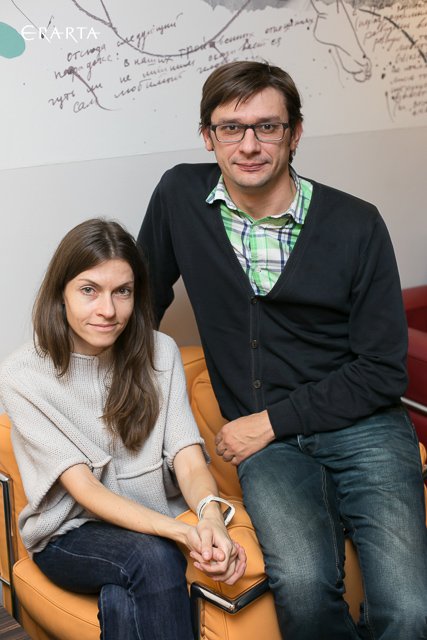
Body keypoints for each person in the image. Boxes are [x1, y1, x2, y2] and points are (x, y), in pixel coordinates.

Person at [137, 61, 427, 639]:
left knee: (408, 611)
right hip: (271, 448)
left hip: (362, 427)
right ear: (208, 136)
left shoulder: (356, 224)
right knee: (304, 589)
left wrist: (268, 422)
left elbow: (382, 370)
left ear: (294, 133)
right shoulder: (180, 196)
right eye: (231, 128)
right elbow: (140, 301)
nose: (249, 146)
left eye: (267, 127)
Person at [0, 218, 246, 640]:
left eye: (122, 292)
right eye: (89, 290)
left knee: (125, 596)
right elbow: (85, 490)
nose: (108, 310)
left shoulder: (160, 352)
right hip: (70, 536)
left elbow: (188, 459)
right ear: (61, 292)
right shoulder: (23, 375)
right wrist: (182, 533)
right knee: (154, 558)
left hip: (149, 529)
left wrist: (212, 517)